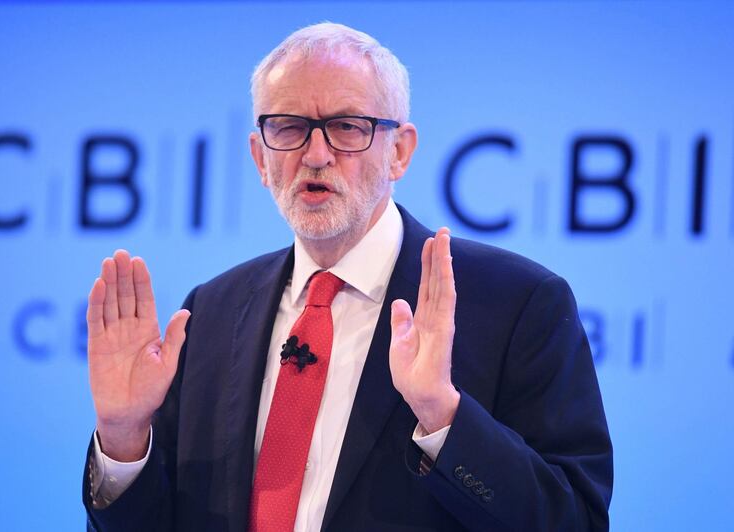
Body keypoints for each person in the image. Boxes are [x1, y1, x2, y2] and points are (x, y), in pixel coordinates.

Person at [82, 22, 612, 532]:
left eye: (347, 127)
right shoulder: (212, 313)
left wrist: (442, 415)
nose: (315, 155)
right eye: (288, 127)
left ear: (399, 151)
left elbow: (573, 520)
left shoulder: (515, 304)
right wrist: (124, 439)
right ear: (259, 158)